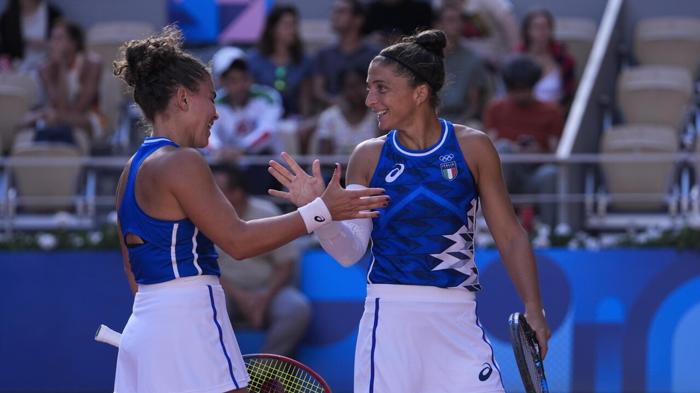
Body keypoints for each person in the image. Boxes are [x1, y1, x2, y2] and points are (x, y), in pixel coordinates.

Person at [268, 29, 551, 393]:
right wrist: (317, 211)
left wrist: (534, 307)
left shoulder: (474, 147)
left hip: (458, 319)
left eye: (381, 88)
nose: (370, 99)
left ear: (420, 93)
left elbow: (510, 235)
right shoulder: (368, 156)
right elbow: (350, 251)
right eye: (369, 88)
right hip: (390, 322)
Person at [111, 25, 388, 393]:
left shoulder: (130, 170)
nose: (216, 112)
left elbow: (133, 270)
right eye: (211, 98)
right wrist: (321, 211)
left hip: (144, 328)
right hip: (189, 316)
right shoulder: (182, 162)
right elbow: (238, 241)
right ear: (182, 99)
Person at [214, 165, 311, 357]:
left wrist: (264, 299)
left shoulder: (267, 212)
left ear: (237, 193)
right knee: (206, 306)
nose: (211, 194)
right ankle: (222, 373)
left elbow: (286, 264)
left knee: (296, 309)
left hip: (267, 290)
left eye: (218, 189)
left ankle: (265, 372)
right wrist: (242, 298)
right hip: (225, 292)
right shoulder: (206, 218)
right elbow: (204, 269)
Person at [484, 55, 564, 229]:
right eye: (516, 90)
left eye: (524, 89)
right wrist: (513, 150)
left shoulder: (552, 111)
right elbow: (488, 147)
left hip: (534, 174)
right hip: (506, 175)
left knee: (550, 173)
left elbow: (556, 156)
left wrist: (537, 153)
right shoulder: (496, 109)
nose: (520, 95)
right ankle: (496, 222)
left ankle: (551, 232)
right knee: (503, 149)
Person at [20, 18, 103, 152]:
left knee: (50, 117)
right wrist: (60, 68)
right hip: (59, 115)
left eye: (59, 39)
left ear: (73, 43)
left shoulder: (92, 64)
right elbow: (59, 104)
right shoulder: (46, 69)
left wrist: (63, 65)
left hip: (87, 116)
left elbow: (79, 107)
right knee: (44, 118)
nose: (53, 44)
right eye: (52, 39)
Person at [208, 46, 283, 158]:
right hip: (225, 162)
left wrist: (242, 149)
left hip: (264, 161)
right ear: (222, 81)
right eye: (233, 80)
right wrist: (218, 150)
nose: (240, 85)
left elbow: (268, 131)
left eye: (244, 78)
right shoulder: (213, 103)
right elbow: (207, 133)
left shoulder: (268, 97)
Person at [247, 4, 313, 118]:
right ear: (273, 29)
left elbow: (305, 100)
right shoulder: (254, 60)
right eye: (287, 25)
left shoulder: (303, 61)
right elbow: (250, 97)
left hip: (293, 123)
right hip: (260, 120)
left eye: (294, 25)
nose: (292, 30)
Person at [312, 0, 378, 109]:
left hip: (368, 113)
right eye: (334, 12)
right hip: (332, 115)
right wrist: (334, 102)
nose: (334, 16)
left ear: (358, 20)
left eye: (341, 12)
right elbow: (318, 91)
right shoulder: (324, 54)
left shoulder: (374, 55)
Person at [435, 3, 489, 124]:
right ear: (438, 25)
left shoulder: (473, 59)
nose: (456, 25)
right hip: (430, 118)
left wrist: (457, 125)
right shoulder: (425, 58)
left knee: (476, 128)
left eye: (460, 20)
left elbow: (474, 105)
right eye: (450, 20)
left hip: (460, 119)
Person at [311, 65, 378, 155]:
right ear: (342, 90)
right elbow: (325, 160)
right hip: (337, 168)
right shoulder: (329, 117)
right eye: (351, 87)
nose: (356, 91)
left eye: (361, 85)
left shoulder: (378, 116)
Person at [520, 8, 576, 108]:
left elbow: (569, 94)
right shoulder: (517, 59)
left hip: (554, 115)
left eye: (545, 27)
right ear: (527, 31)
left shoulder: (564, 60)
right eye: (537, 27)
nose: (542, 32)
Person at [0, 0, 62, 71]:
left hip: (48, 70)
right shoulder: (7, 18)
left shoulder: (52, 14)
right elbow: (4, 50)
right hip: (17, 71)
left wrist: (46, 44)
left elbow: (62, 43)